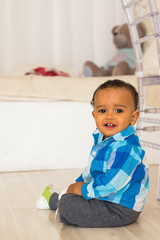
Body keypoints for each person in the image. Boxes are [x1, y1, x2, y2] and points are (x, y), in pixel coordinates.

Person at [36, 79, 149, 228]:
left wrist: (82, 189)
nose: (109, 116)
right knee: (73, 196)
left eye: (118, 110)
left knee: (69, 206)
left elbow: (112, 184)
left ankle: (55, 201)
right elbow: (94, 169)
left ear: (133, 117)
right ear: (94, 115)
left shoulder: (127, 148)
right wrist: (79, 183)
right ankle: (61, 198)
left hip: (120, 209)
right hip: (106, 199)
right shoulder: (104, 139)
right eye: (102, 111)